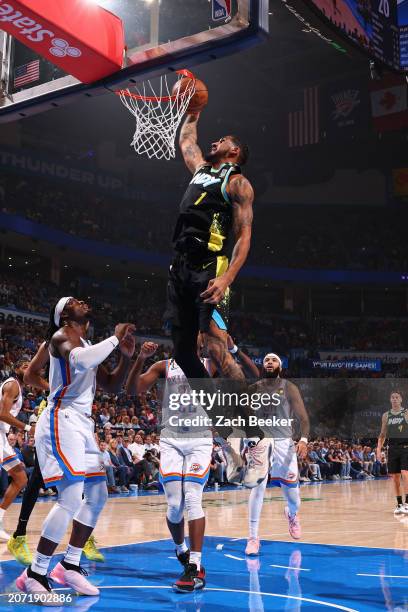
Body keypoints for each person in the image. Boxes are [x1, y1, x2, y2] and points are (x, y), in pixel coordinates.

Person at [16, 296, 135, 596]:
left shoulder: (88, 343)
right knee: (70, 497)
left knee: (97, 494)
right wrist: (115, 337)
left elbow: (111, 385)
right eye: (73, 301)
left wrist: (126, 357)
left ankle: (69, 565)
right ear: (65, 315)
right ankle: (36, 572)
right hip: (62, 417)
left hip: (83, 423)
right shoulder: (60, 337)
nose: (81, 300)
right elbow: (79, 361)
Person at [126, 339, 213, 593]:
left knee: (193, 499)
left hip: (199, 439)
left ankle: (195, 566)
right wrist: (140, 358)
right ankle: (181, 549)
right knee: (175, 505)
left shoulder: (210, 364)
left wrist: (229, 349)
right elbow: (132, 389)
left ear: (202, 338)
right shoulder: (165, 366)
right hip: (172, 439)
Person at [7, 340, 103, 566]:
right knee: (44, 481)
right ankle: (21, 536)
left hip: (76, 418)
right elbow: (34, 375)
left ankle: (79, 536)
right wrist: (52, 387)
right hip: (55, 416)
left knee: (77, 483)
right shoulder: (58, 344)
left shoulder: (83, 348)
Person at [244, 353, 310, 556]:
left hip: (284, 442)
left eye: (273, 360)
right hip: (262, 441)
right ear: (262, 366)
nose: (269, 362)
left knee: (294, 497)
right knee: (257, 488)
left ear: (280, 366)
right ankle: (253, 538)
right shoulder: (253, 389)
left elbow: (303, 418)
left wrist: (304, 440)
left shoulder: (289, 387)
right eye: (266, 360)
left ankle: (291, 513)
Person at [0, 359, 32, 540]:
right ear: (16, 368)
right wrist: (27, 428)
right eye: (24, 366)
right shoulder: (12, 384)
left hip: (2, 437)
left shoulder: (18, 387)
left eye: (30, 366)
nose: (28, 369)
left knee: (20, 478)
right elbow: (2, 414)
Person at [376, 391, 408, 515]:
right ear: (390, 400)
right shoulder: (386, 415)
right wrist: (379, 449)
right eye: (392, 397)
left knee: (405, 473)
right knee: (395, 478)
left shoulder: (406, 413)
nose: (394, 399)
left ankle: (407, 503)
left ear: (401, 399)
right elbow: (383, 434)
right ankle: (399, 504)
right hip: (392, 448)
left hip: (406, 447)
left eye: (397, 397)